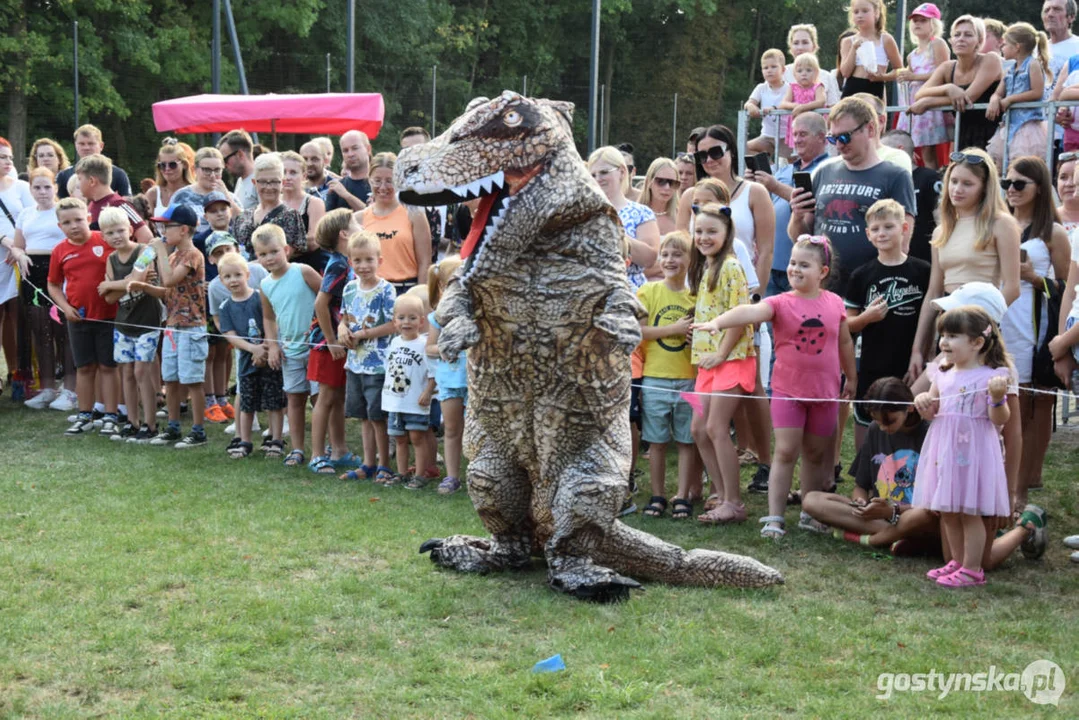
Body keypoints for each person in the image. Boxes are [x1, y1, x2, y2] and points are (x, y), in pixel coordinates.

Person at [692, 235, 856, 539]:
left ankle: (810, 512)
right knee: (785, 452)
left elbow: (844, 341)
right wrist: (720, 322)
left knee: (816, 455)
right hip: (787, 393)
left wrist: (852, 377)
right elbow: (749, 311)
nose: (794, 269)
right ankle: (775, 517)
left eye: (804, 265)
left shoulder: (835, 303)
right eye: (792, 262)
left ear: (822, 272)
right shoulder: (781, 302)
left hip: (825, 393)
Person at [913, 307, 1013, 588]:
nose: (944, 341)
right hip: (944, 448)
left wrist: (997, 397)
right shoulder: (942, 373)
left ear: (977, 342)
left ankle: (972, 568)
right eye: (942, 335)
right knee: (948, 510)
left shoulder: (990, 377)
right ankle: (957, 561)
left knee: (970, 511)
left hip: (974, 452)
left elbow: (999, 420)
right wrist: (923, 402)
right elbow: (933, 410)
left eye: (953, 335)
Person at [909, 149, 1022, 381]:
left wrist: (978, 327)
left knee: (920, 399)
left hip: (979, 325)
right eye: (954, 181)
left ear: (984, 187)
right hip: (947, 324)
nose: (957, 189)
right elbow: (934, 291)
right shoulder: (942, 230)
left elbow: (1012, 287)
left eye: (967, 184)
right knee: (929, 402)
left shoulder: (1001, 224)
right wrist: (918, 349)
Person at [788, 96, 916, 297]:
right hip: (823, 286)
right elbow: (800, 236)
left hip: (872, 288)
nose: (839, 145)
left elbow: (903, 242)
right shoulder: (823, 172)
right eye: (833, 138)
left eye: (845, 137)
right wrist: (796, 215)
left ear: (870, 130)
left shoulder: (896, 176)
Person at [1000, 156, 1070, 500]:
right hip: (1003, 322)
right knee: (1004, 405)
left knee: (1033, 406)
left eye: (1019, 184)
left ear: (1039, 187)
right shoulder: (999, 224)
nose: (1011, 190)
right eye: (1006, 183)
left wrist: (1035, 279)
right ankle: (1002, 483)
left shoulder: (1052, 233)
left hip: (1036, 327)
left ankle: (1024, 485)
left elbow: (1068, 289)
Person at [687, 206, 755, 525]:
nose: (704, 237)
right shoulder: (705, 266)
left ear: (727, 233)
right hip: (707, 362)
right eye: (699, 231)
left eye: (711, 231)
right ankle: (721, 492)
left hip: (732, 358)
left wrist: (723, 353)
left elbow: (740, 316)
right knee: (699, 428)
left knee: (715, 427)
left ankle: (734, 502)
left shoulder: (730, 266)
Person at [801, 378, 930, 546]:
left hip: (915, 515)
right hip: (879, 517)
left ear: (910, 407)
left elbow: (934, 506)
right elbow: (861, 486)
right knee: (812, 500)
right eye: (877, 421)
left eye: (890, 421)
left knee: (921, 517)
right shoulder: (875, 430)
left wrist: (892, 511)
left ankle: (884, 538)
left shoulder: (931, 432)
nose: (884, 427)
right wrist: (860, 502)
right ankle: (900, 537)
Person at [845, 199, 930, 450]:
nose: (882, 233)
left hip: (910, 365)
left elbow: (932, 320)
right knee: (869, 424)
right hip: (873, 365)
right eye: (876, 228)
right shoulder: (861, 275)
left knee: (911, 422)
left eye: (889, 227)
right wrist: (866, 317)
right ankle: (868, 478)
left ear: (904, 228)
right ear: (868, 234)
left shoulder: (922, 270)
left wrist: (926, 355)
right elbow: (847, 325)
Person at [130, 204, 207, 449]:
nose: (162, 231)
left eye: (166, 226)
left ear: (183, 229)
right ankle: (173, 426)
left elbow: (171, 278)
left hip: (191, 326)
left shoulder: (192, 255)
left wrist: (160, 252)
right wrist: (143, 287)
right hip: (173, 325)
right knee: (171, 379)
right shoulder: (173, 256)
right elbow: (167, 290)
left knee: (192, 380)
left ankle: (198, 430)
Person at [46, 198, 120, 436]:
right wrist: (65, 308)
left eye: (78, 219)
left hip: (109, 316)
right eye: (67, 222)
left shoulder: (104, 240)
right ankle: (84, 415)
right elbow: (53, 285)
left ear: (89, 219)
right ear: (60, 227)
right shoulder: (60, 251)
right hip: (78, 319)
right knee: (85, 368)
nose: (74, 225)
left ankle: (110, 415)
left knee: (108, 367)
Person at [636, 231, 696, 520]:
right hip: (655, 378)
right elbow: (640, 331)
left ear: (690, 259)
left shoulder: (696, 296)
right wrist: (673, 330)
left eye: (677, 254)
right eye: (665, 254)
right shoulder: (648, 292)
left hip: (689, 378)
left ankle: (682, 495)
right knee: (656, 442)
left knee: (687, 441)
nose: (670, 260)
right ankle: (657, 494)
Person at [9, 167, 76, 410]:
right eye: (37, 187)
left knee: (64, 332)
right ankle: (47, 387)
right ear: (31, 190)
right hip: (33, 276)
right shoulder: (26, 214)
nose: (42, 192)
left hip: (60, 273)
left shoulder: (64, 211)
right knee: (40, 331)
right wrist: (19, 254)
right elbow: (18, 246)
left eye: (47, 187)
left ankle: (70, 389)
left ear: (55, 188)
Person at [255, 224, 321, 468]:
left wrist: (325, 332)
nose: (269, 258)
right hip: (290, 351)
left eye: (273, 251)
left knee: (319, 399)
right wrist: (272, 345)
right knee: (294, 399)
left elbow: (326, 299)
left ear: (286, 249)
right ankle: (297, 448)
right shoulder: (265, 285)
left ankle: (321, 449)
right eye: (262, 254)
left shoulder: (303, 271)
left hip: (316, 347)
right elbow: (269, 317)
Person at [746, 112, 829, 300]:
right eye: (794, 135)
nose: (797, 140)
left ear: (822, 138)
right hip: (771, 263)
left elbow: (810, 202)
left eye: (803, 134)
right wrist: (754, 185)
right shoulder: (786, 169)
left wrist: (774, 185)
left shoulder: (827, 169)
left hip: (802, 268)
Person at [96, 207, 162, 441]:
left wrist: (110, 284)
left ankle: (150, 424)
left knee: (141, 371)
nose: (116, 236)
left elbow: (135, 282)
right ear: (103, 236)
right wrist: (118, 286)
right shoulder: (111, 259)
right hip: (123, 324)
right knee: (127, 373)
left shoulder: (145, 251)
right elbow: (110, 298)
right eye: (110, 233)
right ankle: (132, 422)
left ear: (131, 229)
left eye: (121, 230)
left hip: (147, 322)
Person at [337, 231, 397, 484]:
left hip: (378, 364)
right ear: (351, 262)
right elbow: (344, 316)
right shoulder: (350, 288)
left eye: (369, 260)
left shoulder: (386, 290)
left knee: (377, 417)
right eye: (358, 260)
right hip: (355, 364)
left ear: (379, 261)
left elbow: (394, 324)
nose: (363, 266)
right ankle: (368, 463)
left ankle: (384, 464)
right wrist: (342, 330)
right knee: (363, 416)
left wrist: (364, 334)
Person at [679, 125, 774, 285]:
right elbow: (682, 247)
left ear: (732, 151)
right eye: (702, 155)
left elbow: (766, 252)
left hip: (740, 287)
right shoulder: (690, 196)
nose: (709, 160)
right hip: (696, 288)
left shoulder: (755, 193)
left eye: (716, 152)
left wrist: (756, 297)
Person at [216, 251, 286, 460]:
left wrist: (264, 348)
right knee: (246, 403)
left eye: (237, 275)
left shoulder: (260, 297)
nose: (233, 280)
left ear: (247, 275)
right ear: (221, 280)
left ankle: (276, 439)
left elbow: (271, 322)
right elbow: (230, 335)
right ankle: (245, 440)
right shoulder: (225, 307)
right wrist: (252, 349)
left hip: (270, 359)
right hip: (247, 362)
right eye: (227, 277)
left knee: (274, 401)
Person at [306, 209, 358, 474]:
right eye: (355, 223)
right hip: (326, 344)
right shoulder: (337, 263)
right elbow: (321, 302)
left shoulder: (347, 261)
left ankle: (340, 450)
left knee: (338, 397)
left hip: (340, 343)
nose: (360, 225)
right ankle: (317, 454)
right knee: (325, 398)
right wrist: (330, 340)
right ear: (344, 233)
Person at [912, 16, 1003, 153]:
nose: (961, 39)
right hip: (962, 134)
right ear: (951, 41)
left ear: (979, 41)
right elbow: (920, 94)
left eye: (968, 35)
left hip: (992, 135)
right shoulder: (947, 68)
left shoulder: (990, 60)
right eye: (957, 35)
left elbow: (968, 97)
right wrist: (948, 88)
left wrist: (929, 102)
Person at [205, 231, 266, 427]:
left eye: (228, 249)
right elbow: (218, 319)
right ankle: (249, 421)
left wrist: (266, 342)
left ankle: (283, 422)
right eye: (218, 252)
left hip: (268, 338)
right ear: (211, 259)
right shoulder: (215, 287)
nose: (224, 255)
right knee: (243, 382)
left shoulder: (257, 272)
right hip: (242, 342)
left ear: (238, 250)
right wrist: (239, 342)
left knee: (273, 381)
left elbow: (272, 308)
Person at [357, 152, 432, 295]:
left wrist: (422, 298)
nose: (383, 187)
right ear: (369, 180)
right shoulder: (359, 219)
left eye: (389, 180)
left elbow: (424, 263)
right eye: (377, 181)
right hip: (372, 291)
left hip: (406, 290)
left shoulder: (414, 214)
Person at [381, 294, 435, 487]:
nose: (407, 322)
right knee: (399, 438)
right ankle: (402, 473)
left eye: (412, 318)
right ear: (395, 321)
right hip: (395, 401)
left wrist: (428, 392)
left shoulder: (424, 345)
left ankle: (420, 475)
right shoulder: (393, 343)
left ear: (421, 321)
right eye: (402, 318)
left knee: (417, 437)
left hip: (415, 402)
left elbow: (433, 373)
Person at [587, 146, 660, 288]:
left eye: (604, 172)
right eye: (593, 175)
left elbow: (649, 258)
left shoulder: (641, 213)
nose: (598, 179)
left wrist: (617, 233)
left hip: (629, 291)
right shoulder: (584, 213)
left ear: (621, 172)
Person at [425, 256, 467, 495]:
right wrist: (444, 348)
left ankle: (480, 476)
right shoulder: (437, 317)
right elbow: (429, 347)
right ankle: (452, 477)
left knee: (477, 430)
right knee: (452, 429)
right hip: (450, 380)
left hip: (474, 382)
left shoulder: (476, 314)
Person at [987, 23, 1051, 170]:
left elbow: (1037, 92)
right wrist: (994, 99)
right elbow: (998, 92)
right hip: (1010, 125)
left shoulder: (1033, 65)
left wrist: (1010, 99)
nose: (1002, 48)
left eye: (1005, 45)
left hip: (1027, 125)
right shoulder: (1009, 70)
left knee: (1023, 165)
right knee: (1000, 165)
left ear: (1017, 47)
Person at [896, 4, 952, 170]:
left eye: (923, 20)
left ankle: (933, 184)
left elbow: (944, 73)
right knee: (911, 147)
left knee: (928, 150)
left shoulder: (938, 44)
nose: (917, 24)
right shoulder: (911, 55)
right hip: (915, 101)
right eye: (915, 21)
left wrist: (913, 76)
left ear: (933, 24)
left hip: (930, 102)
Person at [0, 138, 33, 384]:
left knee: (17, 316)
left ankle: (16, 372)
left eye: (9, 157)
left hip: (18, 259)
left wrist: (19, 247)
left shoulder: (21, 186)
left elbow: (33, 218)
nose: (7, 161)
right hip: (4, 255)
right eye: (2, 157)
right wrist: (6, 241)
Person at [232, 153, 307, 260]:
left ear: (283, 183)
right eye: (262, 182)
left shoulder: (290, 216)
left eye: (274, 181)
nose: (269, 187)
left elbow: (282, 258)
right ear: (254, 182)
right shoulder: (243, 217)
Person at [881, 129, 940, 263]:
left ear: (899, 151)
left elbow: (942, 220)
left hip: (924, 260)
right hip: (890, 259)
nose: (879, 155)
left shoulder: (929, 178)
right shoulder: (882, 180)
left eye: (883, 150)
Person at [76, 154, 152, 243]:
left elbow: (146, 237)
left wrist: (130, 257)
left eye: (79, 179)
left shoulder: (119, 204)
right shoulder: (92, 204)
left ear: (92, 181)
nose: (78, 184)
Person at [839, 0, 903, 100]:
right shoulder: (847, 41)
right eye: (856, 12)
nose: (860, 15)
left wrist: (882, 77)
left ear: (876, 13)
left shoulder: (886, 39)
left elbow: (899, 70)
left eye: (865, 11)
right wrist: (854, 48)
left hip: (875, 89)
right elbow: (845, 73)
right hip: (852, 91)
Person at [171, 147, 239, 235]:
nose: (212, 175)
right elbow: (171, 228)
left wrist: (226, 195)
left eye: (217, 170)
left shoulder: (230, 197)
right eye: (207, 170)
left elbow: (243, 224)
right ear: (195, 169)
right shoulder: (182, 196)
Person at [56, 124, 131, 199]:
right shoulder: (64, 175)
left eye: (91, 143)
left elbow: (127, 203)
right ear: (76, 145)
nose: (86, 147)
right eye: (81, 144)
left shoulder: (118, 174)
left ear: (101, 146)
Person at [745, 48, 791, 158]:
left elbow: (789, 104)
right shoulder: (761, 88)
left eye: (773, 67)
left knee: (783, 162)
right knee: (744, 148)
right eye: (765, 68)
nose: (769, 70)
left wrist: (774, 108)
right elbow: (749, 103)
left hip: (785, 136)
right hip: (767, 135)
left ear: (783, 70)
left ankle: (778, 172)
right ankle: (768, 167)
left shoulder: (789, 88)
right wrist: (751, 106)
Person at [784, 23, 842, 106]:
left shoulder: (827, 76)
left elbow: (834, 108)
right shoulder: (782, 73)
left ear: (814, 46)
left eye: (805, 42)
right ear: (790, 48)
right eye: (796, 43)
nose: (800, 47)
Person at [780, 53, 826, 151]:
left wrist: (803, 107)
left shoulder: (818, 87)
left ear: (816, 73)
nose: (804, 74)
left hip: (813, 125)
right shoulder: (792, 87)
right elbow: (783, 103)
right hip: (797, 125)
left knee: (813, 150)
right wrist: (795, 105)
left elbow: (821, 101)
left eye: (808, 70)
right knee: (796, 152)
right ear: (794, 74)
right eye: (800, 71)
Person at [145, 140, 194, 218]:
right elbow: (147, 224)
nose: (167, 169)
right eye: (163, 165)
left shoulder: (195, 192)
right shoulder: (153, 194)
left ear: (184, 165)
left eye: (172, 165)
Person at [326, 130, 372, 212]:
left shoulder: (380, 184)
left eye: (355, 148)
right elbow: (328, 223)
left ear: (368, 149)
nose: (350, 154)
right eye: (345, 150)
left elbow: (375, 216)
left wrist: (347, 196)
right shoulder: (337, 188)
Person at [638, 158, 680, 239]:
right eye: (661, 181)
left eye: (673, 183)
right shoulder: (634, 214)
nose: (667, 187)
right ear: (649, 182)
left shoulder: (682, 217)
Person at [218, 130, 258, 210]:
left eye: (225, 160)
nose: (224, 166)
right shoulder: (240, 180)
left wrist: (226, 195)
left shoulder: (261, 181)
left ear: (240, 154)